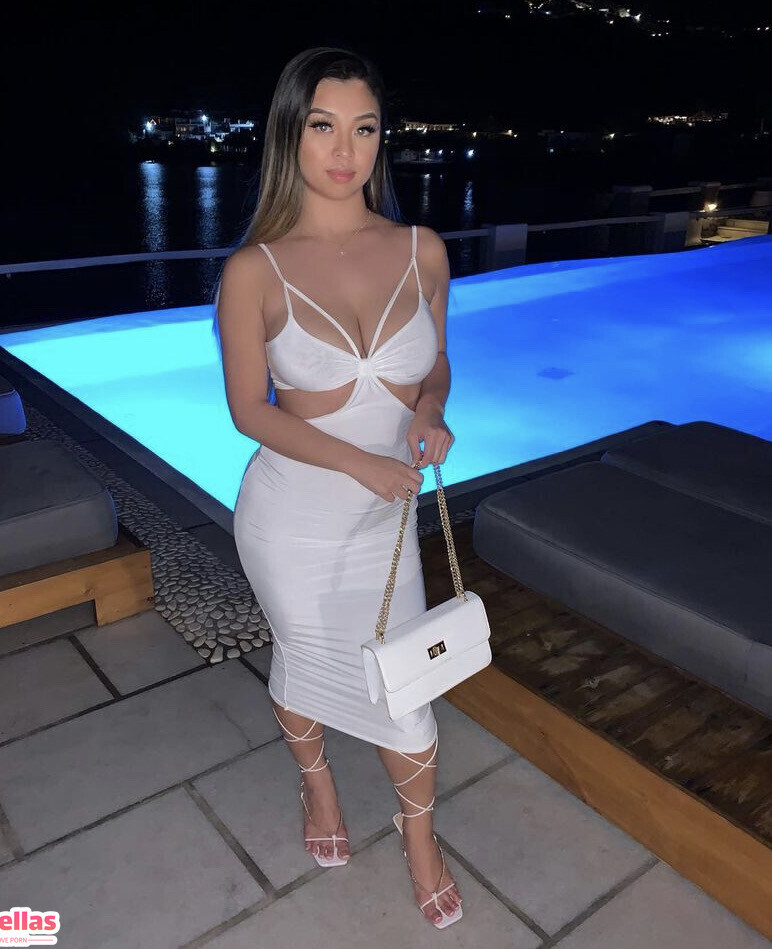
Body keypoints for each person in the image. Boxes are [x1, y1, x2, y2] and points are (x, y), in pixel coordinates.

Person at [215, 46, 462, 929]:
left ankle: (420, 840)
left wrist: (429, 409)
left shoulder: (422, 250)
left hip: (385, 524)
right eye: (324, 126)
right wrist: (361, 463)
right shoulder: (255, 270)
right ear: (292, 133)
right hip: (293, 521)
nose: (345, 150)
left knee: (408, 696)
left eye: (364, 129)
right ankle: (316, 783)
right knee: (306, 659)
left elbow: (437, 366)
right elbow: (249, 410)